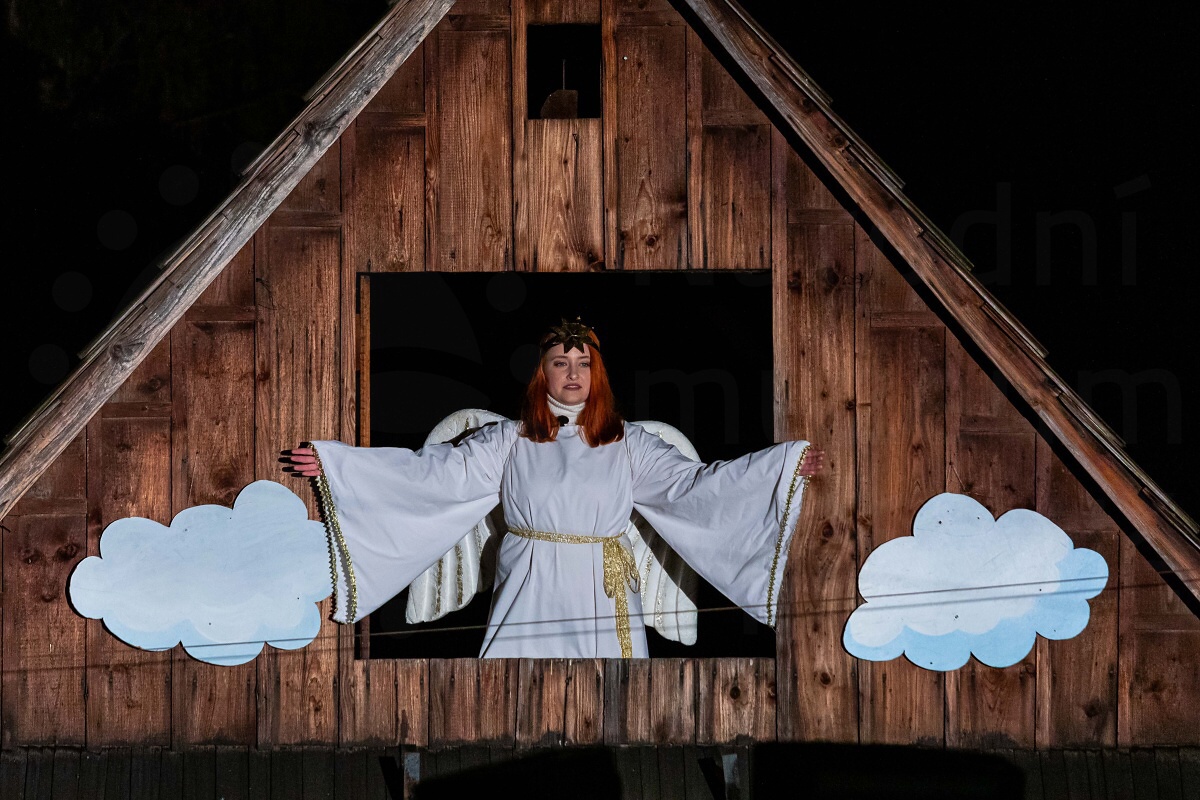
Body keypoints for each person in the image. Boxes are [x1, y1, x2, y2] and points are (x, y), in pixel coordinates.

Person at [282, 318, 825, 658]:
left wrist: (780, 467)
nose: (573, 373)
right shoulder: (508, 439)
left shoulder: (628, 443)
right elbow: (433, 475)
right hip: (531, 583)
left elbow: (694, 487)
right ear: (542, 373)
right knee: (514, 694)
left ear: (597, 373)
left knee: (611, 701)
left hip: (602, 586)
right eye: (561, 363)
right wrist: (341, 466)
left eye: (583, 363)